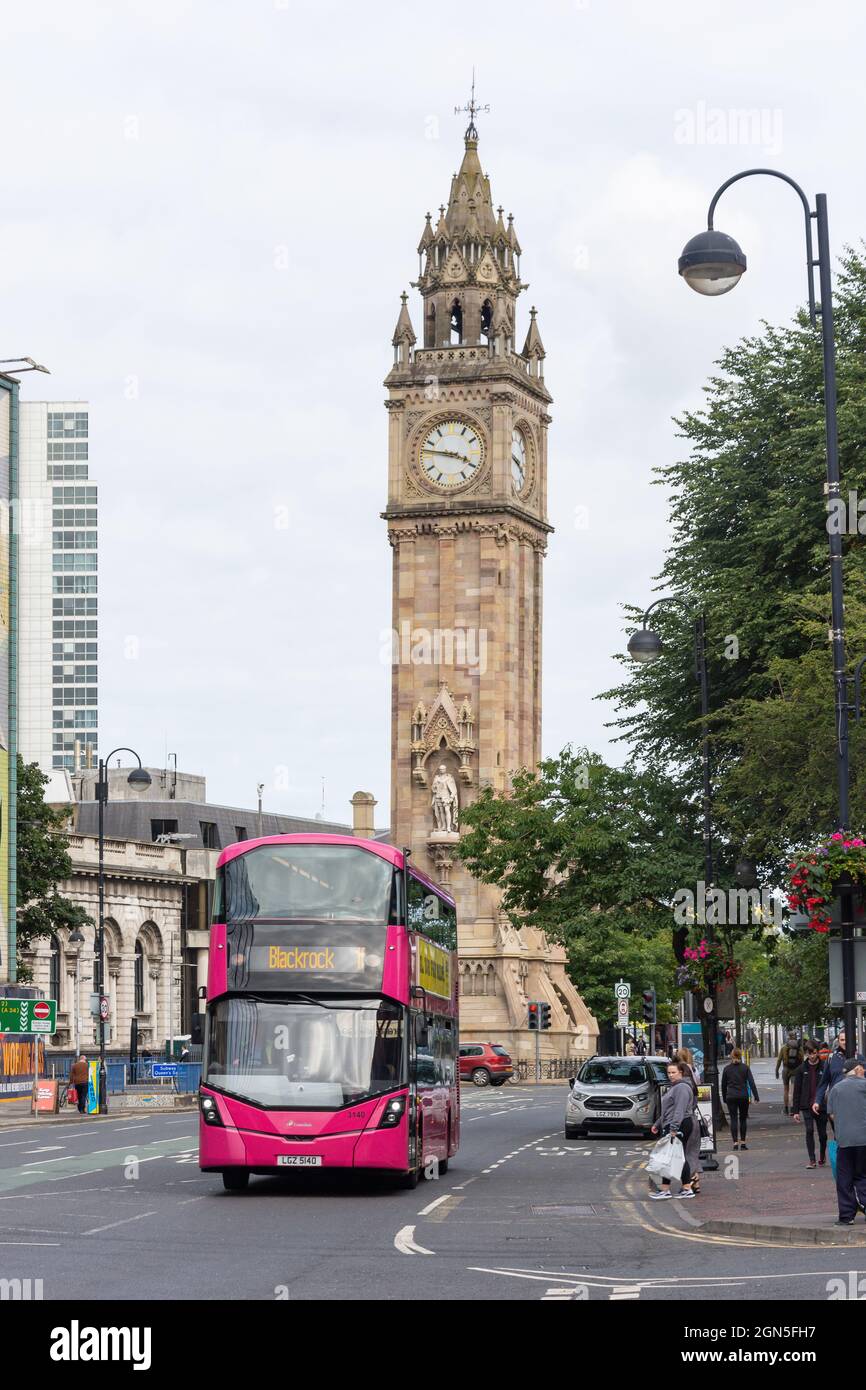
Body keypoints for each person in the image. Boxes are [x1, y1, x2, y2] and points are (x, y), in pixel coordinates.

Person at [649, 1061, 697, 1199]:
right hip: (674, 1123)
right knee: (675, 1157)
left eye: (673, 1072)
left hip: (679, 1124)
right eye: (669, 1073)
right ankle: (683, 1188)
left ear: (681, 1072)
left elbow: (679, 1110)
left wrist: (674, 1128)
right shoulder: (675, 1087)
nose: (670, 1075)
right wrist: (658, 1124)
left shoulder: (681, 1088)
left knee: (671, 1157)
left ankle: (671, 1190)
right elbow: (668, 1110)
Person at [827, 1056, 866, 1225]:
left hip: (844, 1141)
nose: (864, 1070)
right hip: (864, 1139)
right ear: (857, 1070)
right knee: (863, 1176)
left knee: (845, 1179)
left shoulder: (835, 1089)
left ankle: (847, 1215)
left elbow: (832, 1114)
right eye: (863, 1068)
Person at [791, 1040, 827, 1168]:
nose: (812, 1056)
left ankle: (822, 1156)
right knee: (809, 1130)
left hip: (821, 1105)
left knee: (823, 1135)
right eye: (809, 1054)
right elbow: (797, 1090)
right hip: (806, 1105)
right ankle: (812, 1159)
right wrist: (795, 1111)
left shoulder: (824, 1066)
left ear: (817, 1052)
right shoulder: (801, 1069)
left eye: (814, 1053)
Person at [721, 1047, 760, 1149]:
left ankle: (735, 1143)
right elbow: (751, 1083)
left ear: (731, 1056)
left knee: (733, 1119)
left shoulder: (726, 1069)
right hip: (743, 1096)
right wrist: (756, 1096)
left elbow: (723, 1085)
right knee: (743, 1119)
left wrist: (725, 1097)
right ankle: (743, 1142)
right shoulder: (745, 1068)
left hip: (731, 1096)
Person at [814, 1029, 847, 1117]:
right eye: (842, 1040)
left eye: (847, 1039)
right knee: (838, 1129)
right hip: (836, 1101)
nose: (844, 1042)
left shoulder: (859, 1057)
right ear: (838, 1041)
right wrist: (817, 1101)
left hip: (854, 1102)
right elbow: (824, 1082)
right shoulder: (831, 1058)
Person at [775, 1032, 804, 1114]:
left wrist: (776, 1070)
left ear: (788, 1037)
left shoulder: (784, 1047)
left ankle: (786, 1109)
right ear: (795, 1037)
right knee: (793, 1090)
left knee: (786, 1090)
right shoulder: (799, 1048)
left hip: (785, 1069)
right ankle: (792, 1109)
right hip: (796, 1070)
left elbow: (779, 1060)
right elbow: (802, 1060)